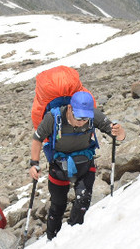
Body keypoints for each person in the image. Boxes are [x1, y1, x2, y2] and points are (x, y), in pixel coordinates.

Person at [27, 89, 125, 240]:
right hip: (59, 167)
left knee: (83, 199)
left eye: (86, 118)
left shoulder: (93, 115)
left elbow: (118, 136)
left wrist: (120, 131)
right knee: (58, 205)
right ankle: (51, 240)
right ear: (70, 108)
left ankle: (73, 236)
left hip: (84, 165)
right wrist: (34, 164)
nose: (82, 122)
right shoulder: (53, 117)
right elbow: (37, 138)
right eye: (78, 117)